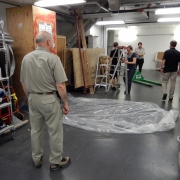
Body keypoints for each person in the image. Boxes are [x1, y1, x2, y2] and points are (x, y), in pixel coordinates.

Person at [20, 31, 71, 171]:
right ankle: (55, 161)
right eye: (52, 41)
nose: (53, 43)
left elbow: (23, 82)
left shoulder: (26, 58)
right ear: (48, 42)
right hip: (49, 100)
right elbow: (60, 85)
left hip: (33, 98)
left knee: (36, 130)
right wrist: (65, 103)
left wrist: (30, 97)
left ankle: (36, 159)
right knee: (55, 131)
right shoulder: (53, 59)